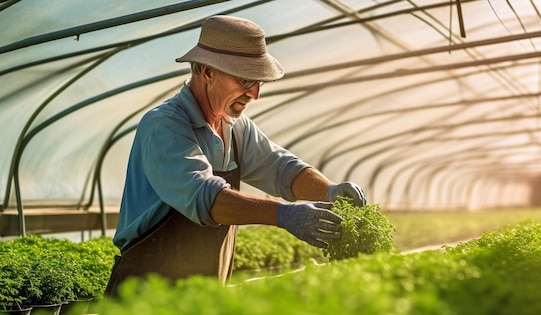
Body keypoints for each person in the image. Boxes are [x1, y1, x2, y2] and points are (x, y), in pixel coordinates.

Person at [104, 15, 367, 295]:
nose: (254, 94)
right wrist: (284, 215)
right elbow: (206, 197)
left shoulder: (236, 128)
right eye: (245, 80)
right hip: (144, 295)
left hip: (203, 297)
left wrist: (329, 191)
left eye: (258, 82)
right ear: (207, 71)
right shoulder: (165, 126)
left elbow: (282, 169)